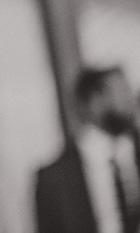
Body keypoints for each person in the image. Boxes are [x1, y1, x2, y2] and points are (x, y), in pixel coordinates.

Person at [36, 66, 140, 233]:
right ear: (94, 102)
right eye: (122, 92)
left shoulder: (135, 150)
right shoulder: (54, 179)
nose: (131, 100)